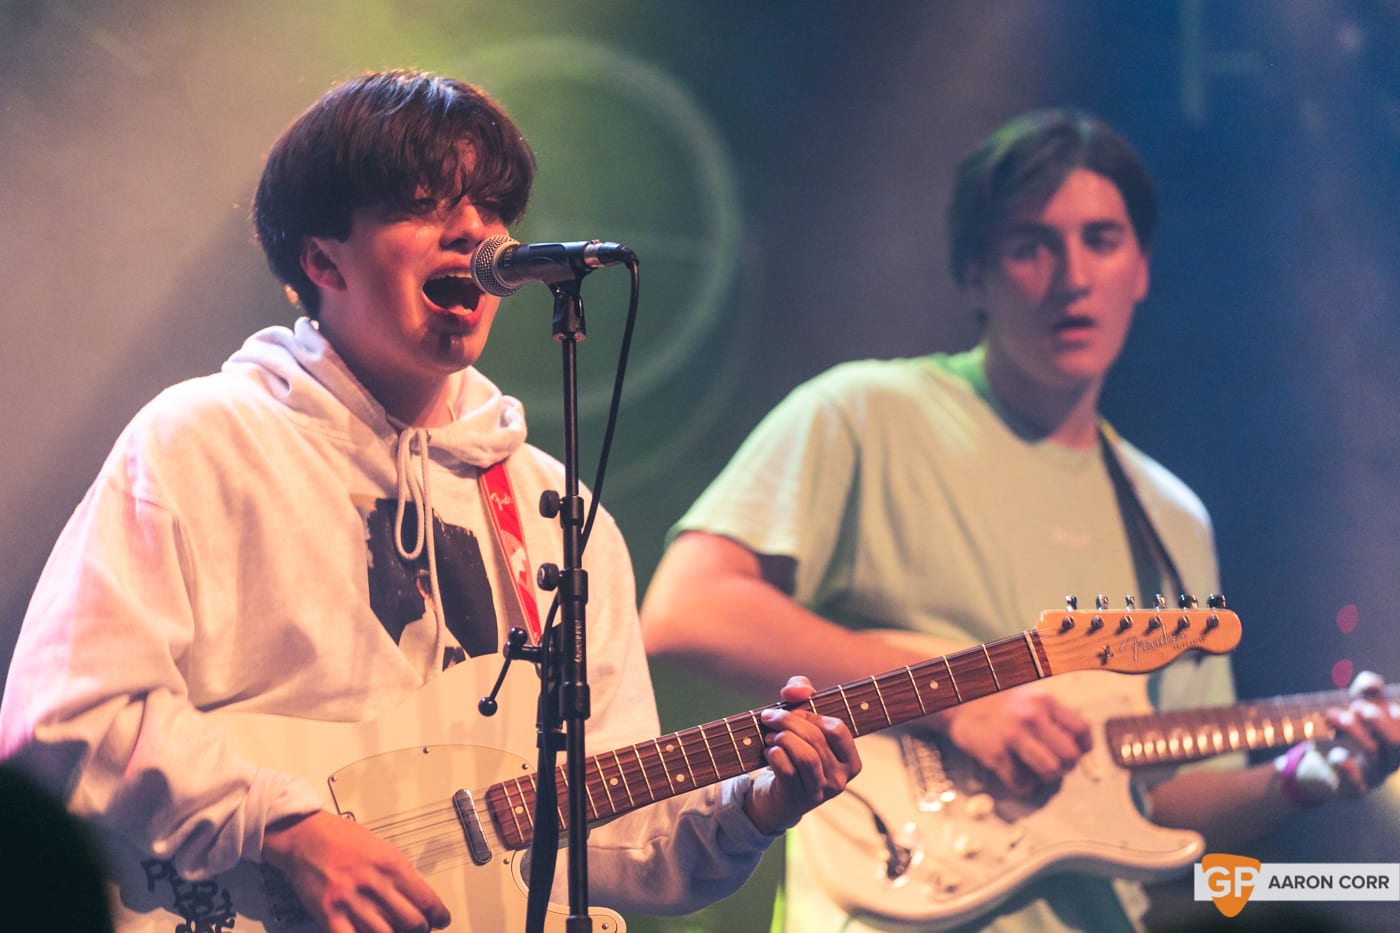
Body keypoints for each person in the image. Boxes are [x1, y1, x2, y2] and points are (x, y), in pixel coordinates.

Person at [0, 69, 859, 933]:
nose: (475, 234)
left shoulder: (557, 510)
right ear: (320, 258)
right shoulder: (204, 440)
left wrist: (752, 805)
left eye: (492, 209)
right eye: (422, 204)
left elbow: (602, 834)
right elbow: (69, 714)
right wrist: (288, 828)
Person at [640, 109, 1400, 932]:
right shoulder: (860, 412)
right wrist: (962, 701)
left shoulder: (1169, 515)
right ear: (974, 273)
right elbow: (687, 611)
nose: (1073, 276)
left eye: (1102, 240)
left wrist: (1293, 780)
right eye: (1032, 244)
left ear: (1142, 268)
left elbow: (1168, 808)